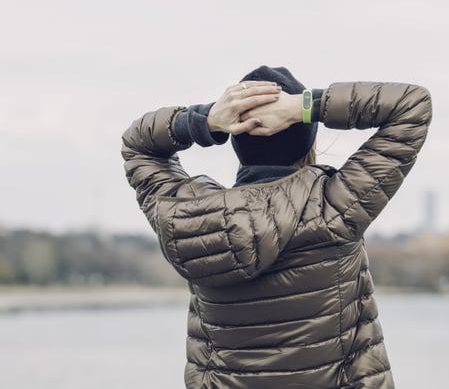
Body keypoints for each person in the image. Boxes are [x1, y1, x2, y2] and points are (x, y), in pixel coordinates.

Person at [121, 66, 432, 389]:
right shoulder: (335, 206)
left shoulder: (188, 219)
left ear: (237, 139)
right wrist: (304, 107)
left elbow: (138, 146)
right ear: (303, 138)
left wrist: (206, 120)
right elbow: (411, 105)